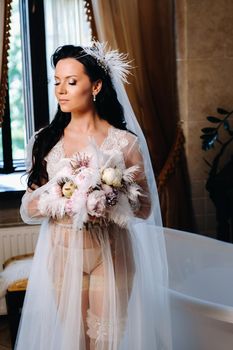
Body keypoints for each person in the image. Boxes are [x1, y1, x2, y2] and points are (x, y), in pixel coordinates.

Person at [15, 43, 172, 350]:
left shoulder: (124, 143)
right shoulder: (45, 141)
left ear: (96, 86)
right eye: (56, 82)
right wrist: (61, 192)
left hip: (113, 255)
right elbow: (29, 210)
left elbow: (145, 210)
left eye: (71, 82)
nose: (61, 90)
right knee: (74, 341)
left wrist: (113, 194)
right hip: (63, 255)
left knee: (106, 342)